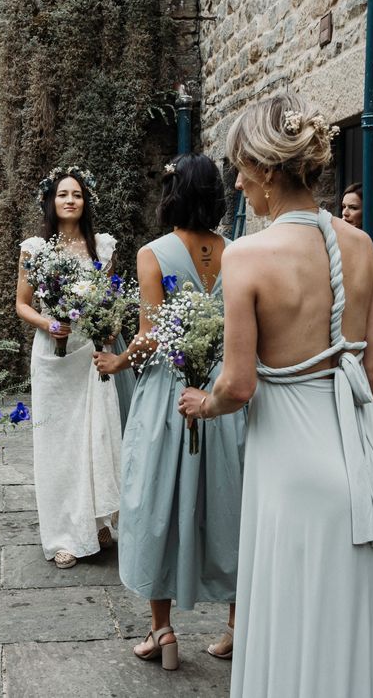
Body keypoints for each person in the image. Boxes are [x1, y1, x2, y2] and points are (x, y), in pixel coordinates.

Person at [179, 94, 373, 697]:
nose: (238, 183)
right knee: (351, 629)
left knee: (293, 619)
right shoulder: (362, 246)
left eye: (241, 169)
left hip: (294, 474)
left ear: (270, 172)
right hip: (367, 465)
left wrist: (205, 403)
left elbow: (239, 382)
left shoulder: (246, 255)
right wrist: (358, 441)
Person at [96, 153, 246, 670]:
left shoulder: (153, 253)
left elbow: (151, 334)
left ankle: (162, 633)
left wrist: (118, 362)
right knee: (230, 506)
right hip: (223, 398)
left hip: (168, 395)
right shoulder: (238, 252)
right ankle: (234, 628)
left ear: (174, 194)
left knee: (155, 504)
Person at [16, 166, 132, 569]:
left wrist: (109, 327)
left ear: (86, 202)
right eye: (63, 194)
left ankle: (98, 519)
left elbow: (112, 301)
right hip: (53, 353)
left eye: (77, 195)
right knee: (59, 445)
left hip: (91, 351)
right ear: (51, 201)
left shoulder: (101, 247)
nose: (70, 200)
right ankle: (64, 533)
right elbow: (22, 303)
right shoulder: (35, 248)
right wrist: (50, 323)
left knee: (97, 434)